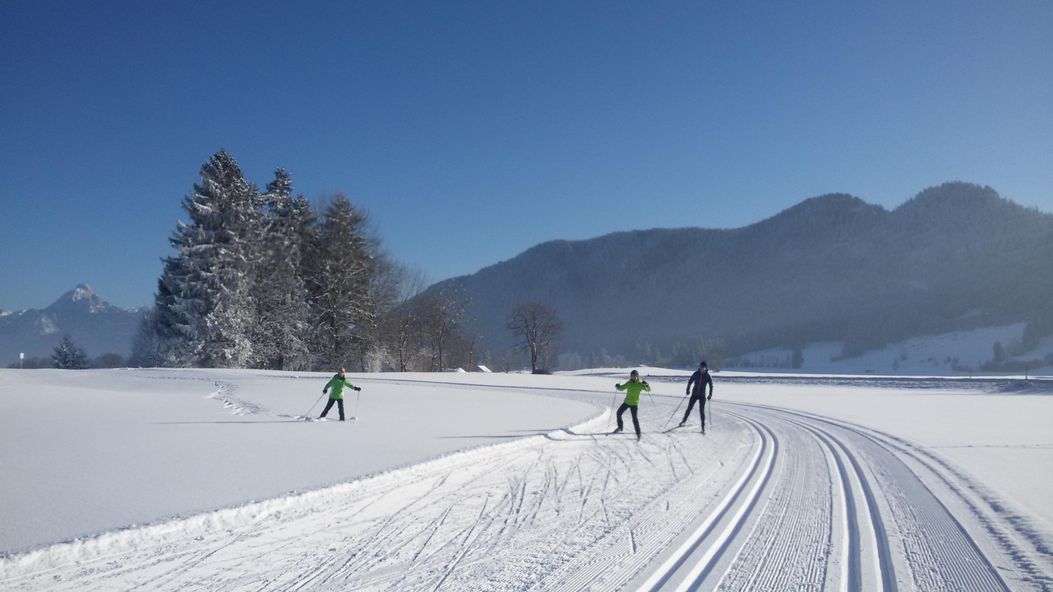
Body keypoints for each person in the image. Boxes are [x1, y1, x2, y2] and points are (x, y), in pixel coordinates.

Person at [612, 369, 650, 440]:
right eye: (632, 376)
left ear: (637, 376)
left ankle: (638, 433)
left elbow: (648, 390)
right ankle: (620, 427)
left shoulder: (640, 384)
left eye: (635, 376)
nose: (633, 377)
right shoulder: (629, 383)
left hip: (634, 404)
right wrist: (617, 386)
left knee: (634, 418)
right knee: (618, 413)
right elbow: (621, 388)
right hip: (627, 402)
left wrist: (647, 385)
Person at [680, 360, 713, 432]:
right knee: (689, 408)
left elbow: (711, 386)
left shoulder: (707, 376)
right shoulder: (695, 374)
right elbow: (690, 381)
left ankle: (703, 427)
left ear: (705, 368)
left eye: (703, 368)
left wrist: (710, 394)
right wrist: (687, 389)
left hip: (702, 395)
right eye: (700, 367)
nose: (701, 369)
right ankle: (683, 421)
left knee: (701, 411)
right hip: (694, 394)